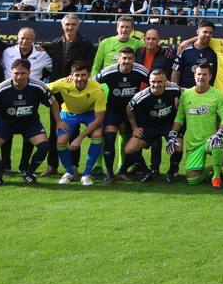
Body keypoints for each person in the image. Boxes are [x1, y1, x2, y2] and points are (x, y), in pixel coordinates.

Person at [0, 61, 57, 185]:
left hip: (30, 124)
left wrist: (59, 121)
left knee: (44, 146)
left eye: (23, 73)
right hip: (6, 124)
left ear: (29, 72)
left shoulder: (39, 86)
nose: (19, 76)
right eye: (16, 73)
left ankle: (29, 173)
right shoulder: (1, 88)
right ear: (11, 72)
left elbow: (53, 103)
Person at [41, 14, 96, 176]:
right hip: (58, 93)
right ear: (62, 26)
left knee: (74, 130)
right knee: (54, 129)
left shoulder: (85, 45)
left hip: (76, 92)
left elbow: (88, 67)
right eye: (67, 25)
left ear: (77, 26)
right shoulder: (54, 44)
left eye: (73, 24)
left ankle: (73, 165)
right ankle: (52, 166)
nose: (70, 27)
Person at [0, 26, 54, 174]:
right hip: (8, 95)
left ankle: (24, 166)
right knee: (6, 131)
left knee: (29, 131)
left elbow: (53, 67)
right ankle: (5, 165)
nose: (25, 41)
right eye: (22, 38)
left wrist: (44, 85)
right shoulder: (7, 52)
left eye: (28, 38)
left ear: (33, 40)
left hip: (31, 96)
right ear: (18, 38)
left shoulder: (42, 54)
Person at [48, 61, 108, 186]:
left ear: (89, 75)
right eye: (77, 75)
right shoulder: (63, 83)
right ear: (71, 75)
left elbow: (99, 119)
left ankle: (87, 173)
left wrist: (79, 138)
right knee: (60, 141)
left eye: (83, 75)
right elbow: (44, 88)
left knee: (97, 135)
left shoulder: (97, 89)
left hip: (90, 114)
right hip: (69, 113)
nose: (80, 78)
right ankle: (69, 172)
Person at [172, 64, 223, 188]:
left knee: (217, 142)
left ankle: (216, 176)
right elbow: (180, 117)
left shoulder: (217, 94)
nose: (201, 77)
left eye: (204, 74)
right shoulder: (186, 94)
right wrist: (173, 133)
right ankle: (215, 167)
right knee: (192, 181)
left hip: (210, 139)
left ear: (210, 76)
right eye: (199, 74)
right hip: (193, 143)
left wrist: (220, 132)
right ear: (194, 76)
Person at [96, 48, 150, 180]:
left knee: (135, 140)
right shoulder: (108, 71)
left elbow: (156, 83)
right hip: (113, 111)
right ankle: (109, 173)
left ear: (134, 60)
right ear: (118, 59)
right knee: (109, 139)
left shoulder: (140, 70)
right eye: (124, 58)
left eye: (130, 58)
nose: (127, 61)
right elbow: (92, 83)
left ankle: (123, 170)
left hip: (133, 112)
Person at [125, 65, 182, 182]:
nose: (156, 85)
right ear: (149, 81)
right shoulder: (141, 96)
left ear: (166, 81)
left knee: (178, 146)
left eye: (160, 81)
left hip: (168, 125)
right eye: (153, 82)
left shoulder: (174, 89)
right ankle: (147, 172)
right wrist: (134, 127)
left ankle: (172, 171)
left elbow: (186, 93)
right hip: (149, 127)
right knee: (130, 149)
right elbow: (129, 108)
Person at [173, 22, 220, 91]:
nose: (208, 35)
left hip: (205, 94)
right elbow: (175, 72)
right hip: (186, 91)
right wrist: (175, 90)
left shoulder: (213, 52)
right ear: (198, 32)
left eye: (210, 33)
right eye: (205, 32)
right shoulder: (185, 50)